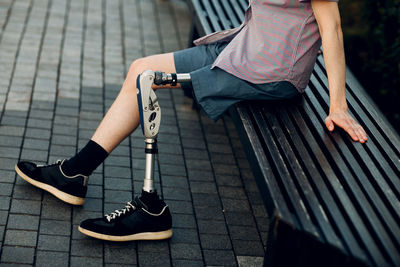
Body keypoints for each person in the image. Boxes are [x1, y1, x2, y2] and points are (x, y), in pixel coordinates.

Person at [14, 0, 367, 242]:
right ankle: (74, 174)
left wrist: (338, 105)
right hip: (244, 47)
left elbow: (331, 27)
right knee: (141, 68)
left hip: (267, 71)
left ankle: (150, 209)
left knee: (147, 81)